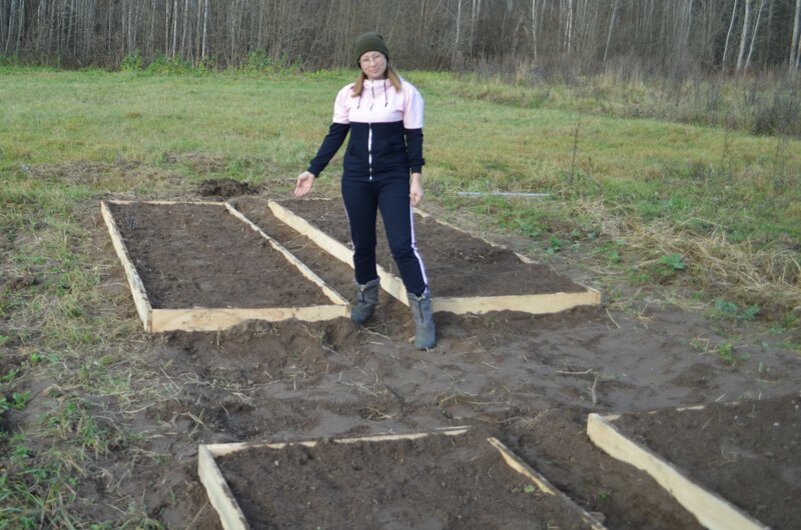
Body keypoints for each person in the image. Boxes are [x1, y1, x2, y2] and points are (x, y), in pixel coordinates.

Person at [293, 31, 435, 350]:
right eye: (365, 58)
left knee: (402, 245)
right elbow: (335, 135)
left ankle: (423, 314)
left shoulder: (406, 93)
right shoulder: (348, 94)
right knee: (362, 243)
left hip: (393, 177)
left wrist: (415, 178)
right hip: (356, 178)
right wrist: (312, 170)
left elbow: (414, 140)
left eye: (377, 57)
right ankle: (366, 299)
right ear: (359, 63)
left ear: (386, 58)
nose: (372, 63)